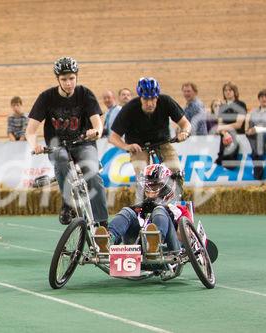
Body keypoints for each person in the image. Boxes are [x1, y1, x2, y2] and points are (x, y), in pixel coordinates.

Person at [25, 56, 108, 226]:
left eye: (72, 78)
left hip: (84, 143)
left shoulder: (85, 94)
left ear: (76, 76)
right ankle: (68, 203)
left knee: (93, 174)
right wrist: (35, 145)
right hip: (57, 145)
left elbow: (97, 122)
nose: (68, 83)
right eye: (64, 79)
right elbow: (30, 130)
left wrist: (97, 131)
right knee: (61, 160)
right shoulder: (46, 97)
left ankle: (103, 223)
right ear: (58, 79)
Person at [108, 77, 191, 202]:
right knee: (142, 175)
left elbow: (186, 124)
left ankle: (176, 201)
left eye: (153, 98)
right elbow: (113, 137)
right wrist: (127, 146)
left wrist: (184, 132)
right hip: (139, 146)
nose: (150, 103)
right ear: (140, 97)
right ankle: (143, 204)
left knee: (176, 170)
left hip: (162, 142)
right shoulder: (129, 108)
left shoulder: (166, 101)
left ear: (157, 97)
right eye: (146, 99)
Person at [95, 164, 190, 266]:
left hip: (169, 252)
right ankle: (109, 239)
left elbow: (187, 237)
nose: (150, 192)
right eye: (147, 187)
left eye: (155, 186)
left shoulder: (179, 209)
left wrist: (169, 214)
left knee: (159, 210)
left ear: (167, 187)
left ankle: (155, 243)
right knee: (127, 211)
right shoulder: (141, 207)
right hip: (137, 251)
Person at [245, 89, 266, 180]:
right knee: (249, 135)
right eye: (262, 97)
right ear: (259, 99)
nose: (264, 99)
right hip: (256, 136)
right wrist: (250, 130)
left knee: (261, 135)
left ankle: (257, 166)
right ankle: (257, 158)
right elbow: (251, 127)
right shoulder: (254, 112)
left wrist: (258, 129)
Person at [215, 82, 247, 169]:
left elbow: (238, 124)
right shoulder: (222, 107)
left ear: (235, 92)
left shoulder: (241, 105)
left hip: (238, 135)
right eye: (225, 90)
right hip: (225, 136)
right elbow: (220, 124)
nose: (227, 92)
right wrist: (225, 133)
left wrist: (222, 128)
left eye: (230, 90)